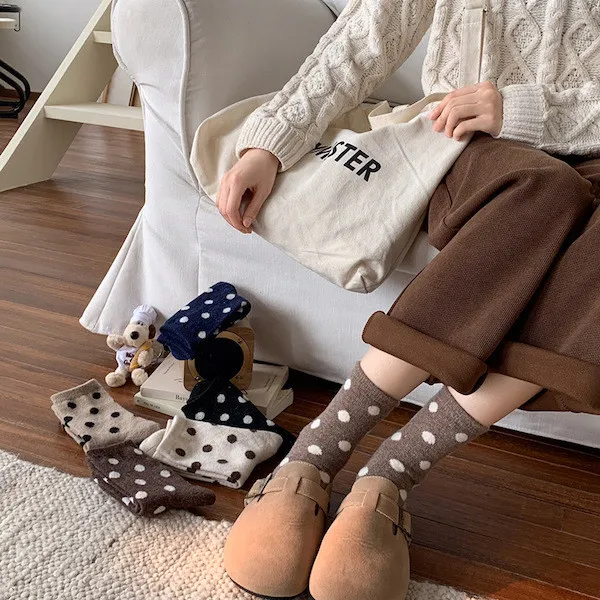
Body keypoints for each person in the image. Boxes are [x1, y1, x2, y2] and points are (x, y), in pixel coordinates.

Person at [215, 0, 600, 599]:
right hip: (477, 149)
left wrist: (532, 110)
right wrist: (272, 142)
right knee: (547, 187)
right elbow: (368, 32)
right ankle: (316, 452)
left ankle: (389, 476)